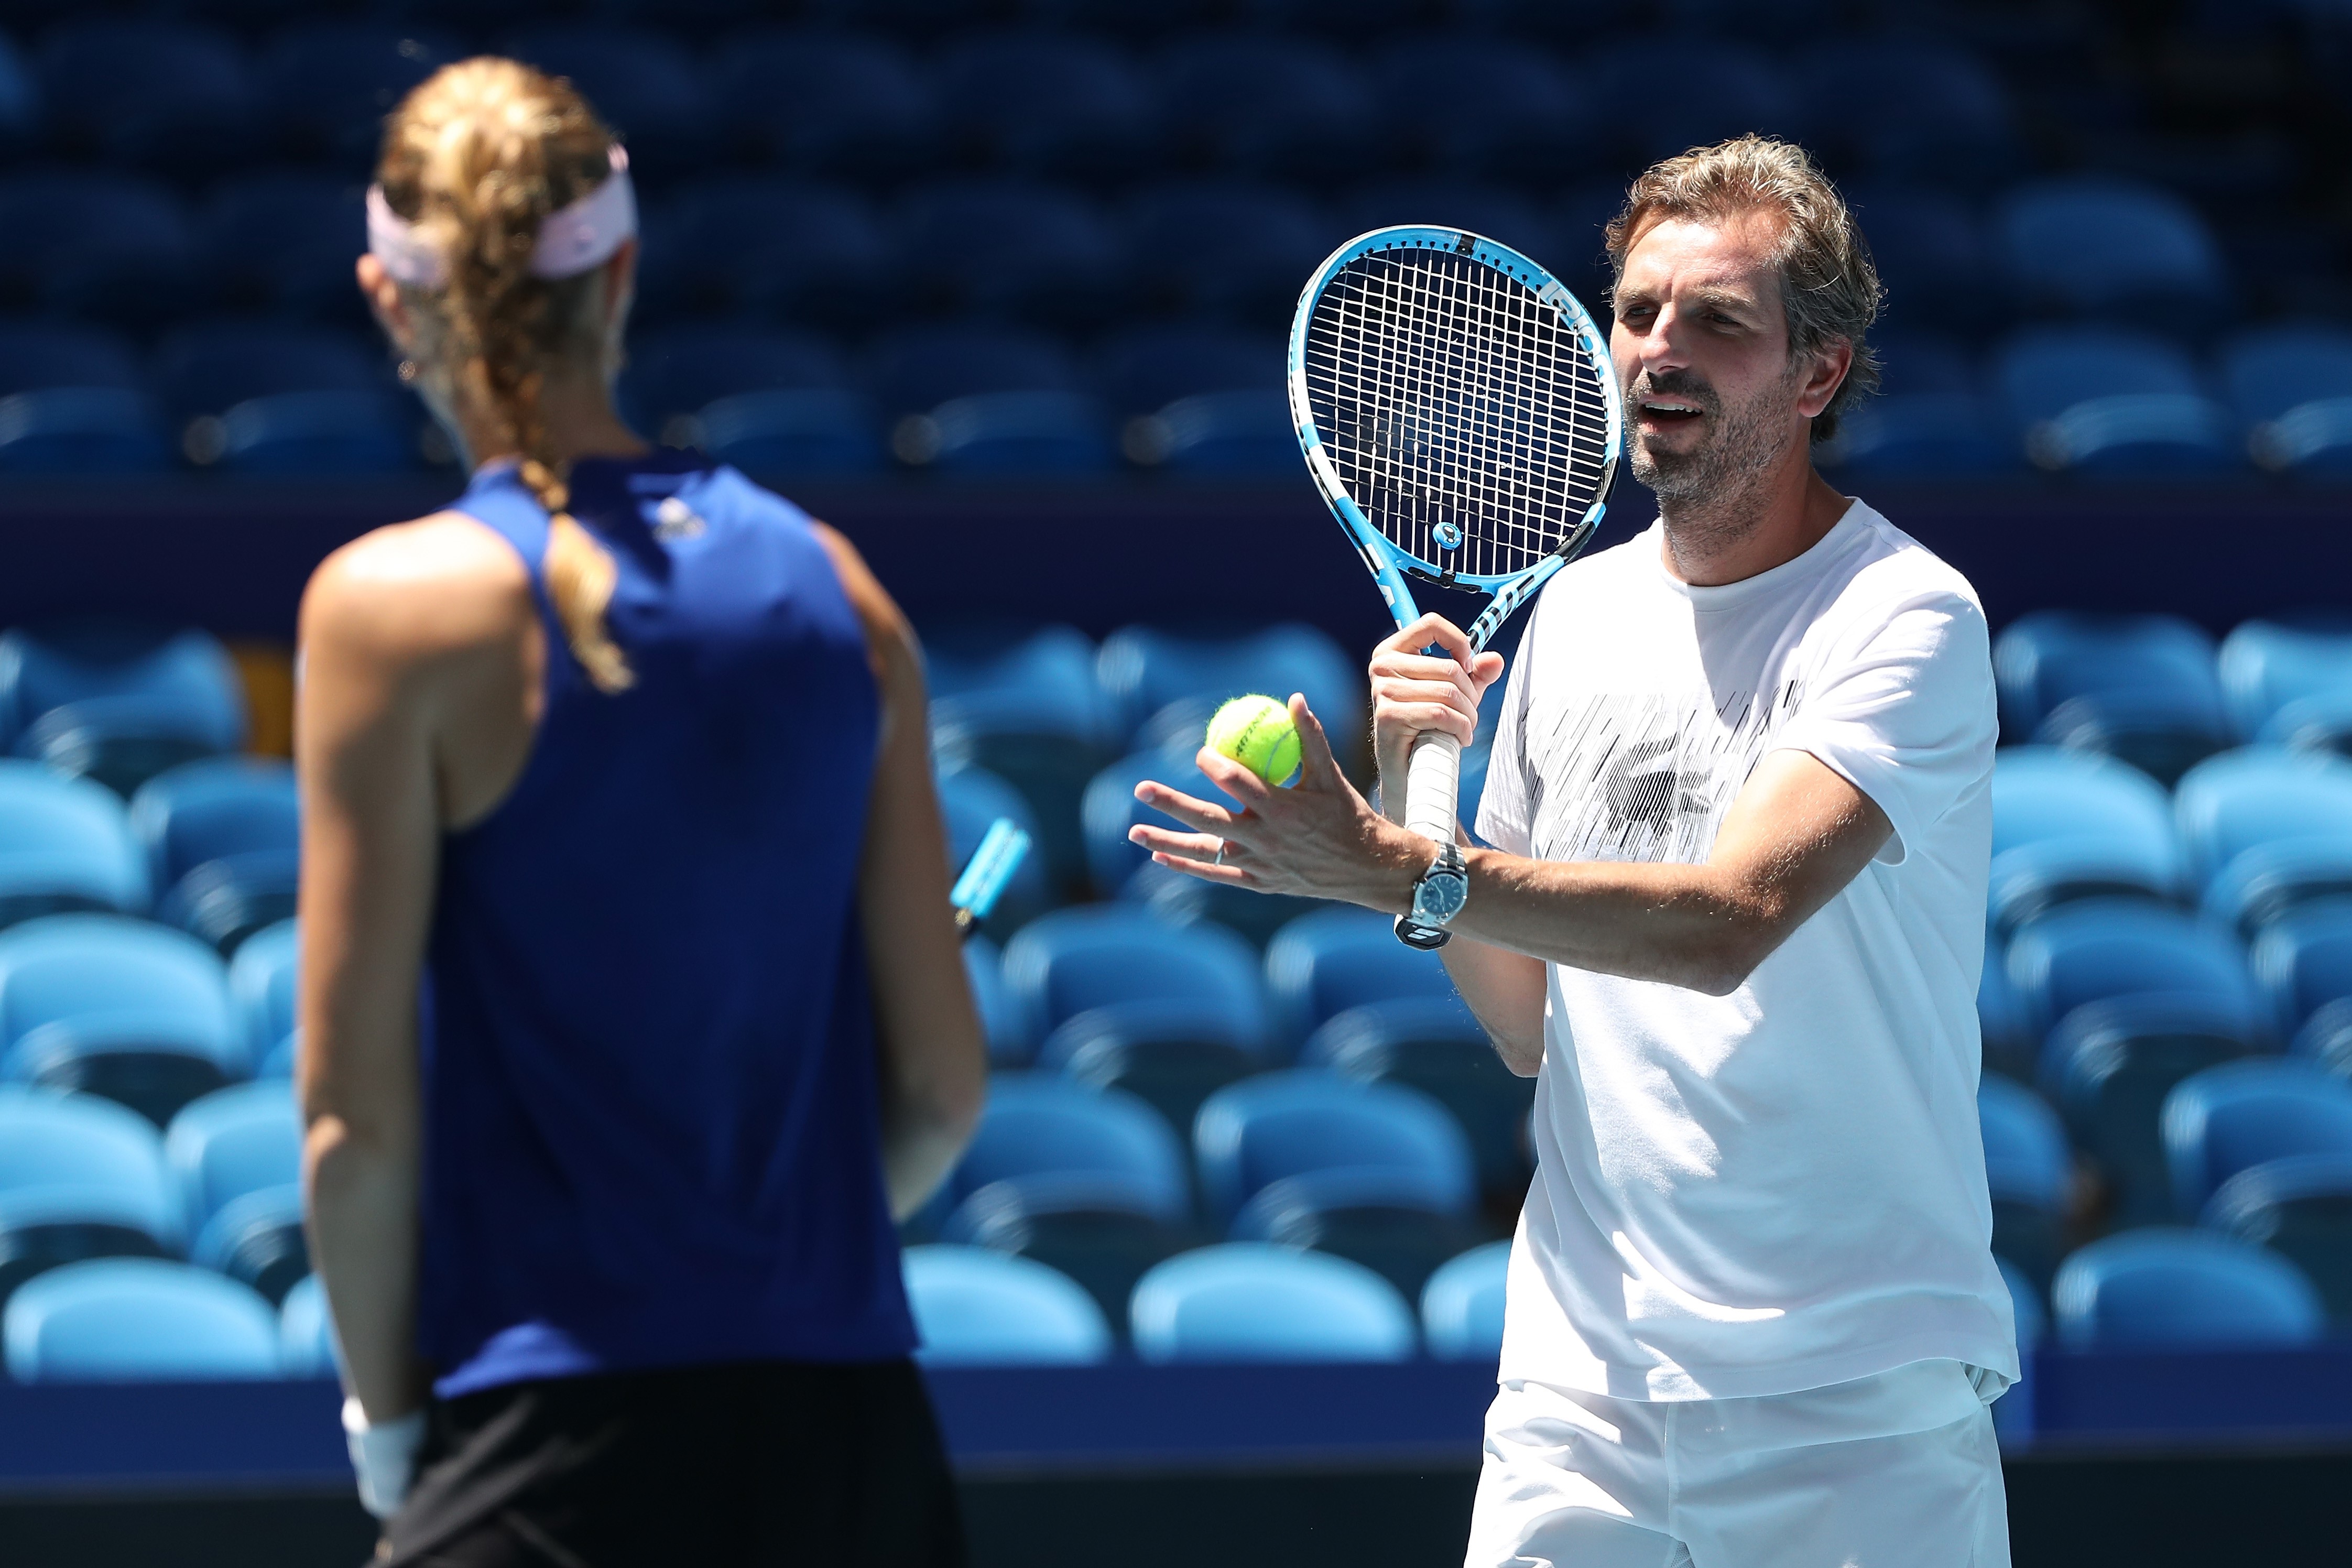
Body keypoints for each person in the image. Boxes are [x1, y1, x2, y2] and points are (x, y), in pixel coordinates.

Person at [1131, 135, 2013, 1567]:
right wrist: (1423, 782)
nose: (1661, 350)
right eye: (1640, 313)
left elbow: (1730, 922)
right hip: (1578, 1391)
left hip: (1852, 1399)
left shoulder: (1905, 618)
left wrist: (1393, 869)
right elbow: (1528, 1017)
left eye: (1719, 323)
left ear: (1816, 376)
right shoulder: (1577, 617)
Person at [297, 58, 984, 1566]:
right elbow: (940, 1095)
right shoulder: (841, 591)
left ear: (391, 297)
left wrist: (382, 1422)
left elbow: (350, 1123)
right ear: (620, 270)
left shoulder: (390, 612)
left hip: (551, 1450)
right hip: (854, 1452)